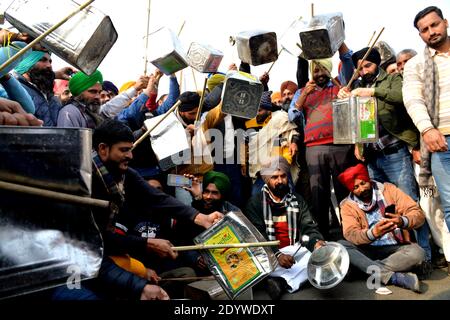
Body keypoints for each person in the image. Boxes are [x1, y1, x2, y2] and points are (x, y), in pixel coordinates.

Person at [53, 119, 222, 300]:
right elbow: (94, 239)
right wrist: (146, 244)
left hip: (100, 256)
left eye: (131, 149)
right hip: (70, 262)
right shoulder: (80, 182)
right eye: (124, 150)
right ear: (103, 149)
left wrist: (200, 217)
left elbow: (157, 198)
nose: (130, 156)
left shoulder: (122, 175)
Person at [288, 42, 356, 239]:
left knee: (345, 191)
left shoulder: (339, 85)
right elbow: (292, 116)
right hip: (314, 148)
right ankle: (322, 239)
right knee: (319, 195)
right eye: (316, 70)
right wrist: (304, 95)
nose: (319, 73)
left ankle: (350, 234)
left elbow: (348, 61)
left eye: (323, 69)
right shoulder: (302, 92)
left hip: (340, 145)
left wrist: (338, 40)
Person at [402, 6, 450, 274]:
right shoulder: (416, 65)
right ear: (420, 35)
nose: (432, 32)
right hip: (441, 141)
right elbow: (413, 98)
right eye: (425, 29)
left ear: (445, 22)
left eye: (434, 25)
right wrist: (427, 129)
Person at [244, 156, 325, 299]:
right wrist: (277, 255)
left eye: (283, 176)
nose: (280, 181)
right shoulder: (255, 203)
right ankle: (293, 278)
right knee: (252, 262)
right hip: (269, 254)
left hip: (294, 252)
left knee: (323, 250)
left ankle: (280, 282)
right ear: (266, 180)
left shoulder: (297, 200)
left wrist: (316, 243)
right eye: (274, 177)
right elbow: (258, 236)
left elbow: (308, 228)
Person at [337, 164, 426, 293]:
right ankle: (394, 277)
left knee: (418, 253)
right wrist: (373, 233)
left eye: (363, 183)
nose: (361, 189)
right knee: (341, 246)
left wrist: (402, 221)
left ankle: (363, 268)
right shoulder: (347, 205)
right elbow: (351, 234)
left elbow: (417, 214)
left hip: (394, 247)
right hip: (366, 249)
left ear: (368, 179)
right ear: (351, 190)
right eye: (356, 187)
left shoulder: (389, 190)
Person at [14, 49, 74, 126]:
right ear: (27, 62)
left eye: (50, 61)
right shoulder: (15, 89)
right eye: (42, 60)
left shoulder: (46, 91)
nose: (49, 65)